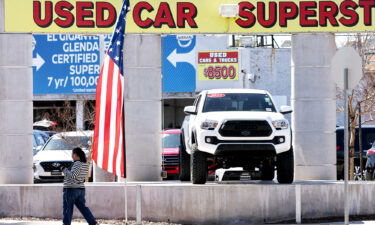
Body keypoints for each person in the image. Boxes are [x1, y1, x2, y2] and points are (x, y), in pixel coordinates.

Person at [61, 147, 98, 225]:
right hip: (80, 190)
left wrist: (64, 169)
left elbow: (73, 176)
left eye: (72, 154)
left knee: (68, 209)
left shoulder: (77, 163)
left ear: (75, 155)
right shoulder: (85, 164)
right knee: (83, 208)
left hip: (71, 190)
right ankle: (93, 223)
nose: (72, 156)